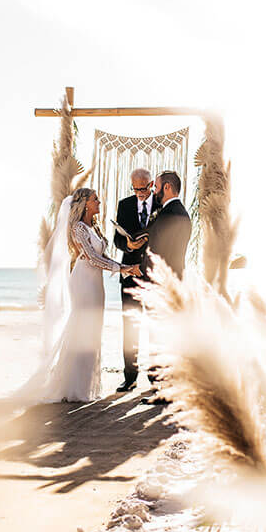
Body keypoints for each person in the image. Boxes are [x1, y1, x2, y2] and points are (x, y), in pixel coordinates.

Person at [18, 188, 140, 405]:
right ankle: (73, 388)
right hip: (83, 282)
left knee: (93, 332)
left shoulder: (94, 227)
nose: (99, 202)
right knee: (81, 330)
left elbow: (102, 256)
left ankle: (85, 386)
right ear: (84, 204)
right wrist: (122, 269)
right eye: (95, 199)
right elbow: (92, 259)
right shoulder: (78, 228)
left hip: (96, 284)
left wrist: (125, 265)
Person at [141, 170, 192, 404]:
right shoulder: (181, 213)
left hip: (163, 284)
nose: (154, 192)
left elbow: (159, 252)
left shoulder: (171, 214)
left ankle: (163, 390)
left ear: (168, 188)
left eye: (157, 187)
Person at [113, 168, 160, 392]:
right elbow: (116, 239)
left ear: (151, 184)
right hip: (130, 274)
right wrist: (128, 245)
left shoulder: (162, 206)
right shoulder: (125, 205)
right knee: (130, 327)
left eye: (143, 188)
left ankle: (156, 379)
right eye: (135, 188)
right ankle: (130, 377)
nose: (139, 193)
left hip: (154, 277)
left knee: (154, 327)